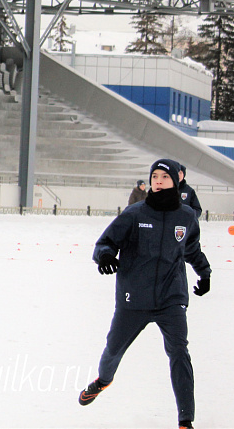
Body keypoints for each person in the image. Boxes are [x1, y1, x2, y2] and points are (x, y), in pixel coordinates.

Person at [79, 158, 211, 429]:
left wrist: (205, 273)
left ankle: (185, 420)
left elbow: (192, 249)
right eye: (154, 177)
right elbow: (105, 243)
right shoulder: (135, 214)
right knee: (113, 350)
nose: (158, 181)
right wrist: (105, 257)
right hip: (133, 298)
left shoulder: (186, 216)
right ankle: (103, 380)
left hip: (171, 298)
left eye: (164, 177)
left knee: (179, 352)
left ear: (176, 181)